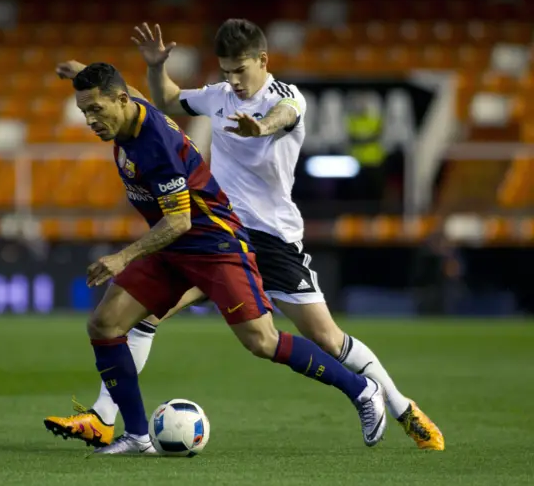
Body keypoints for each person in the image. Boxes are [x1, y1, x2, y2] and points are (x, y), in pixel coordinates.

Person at [46, 61, 387, 455]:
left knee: (262, 341)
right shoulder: (128, 113)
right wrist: (82, 71)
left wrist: (123, 257)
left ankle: (362, 389)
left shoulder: (154, 145)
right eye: (84, 111)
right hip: (171, 248)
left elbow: (179, 220)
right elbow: (133, 92)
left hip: (213, 244)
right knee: (105, 324)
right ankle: (138, 435)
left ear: (119, 101)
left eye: (95, 110)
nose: (90, 120)